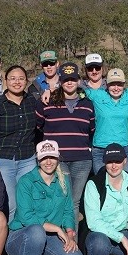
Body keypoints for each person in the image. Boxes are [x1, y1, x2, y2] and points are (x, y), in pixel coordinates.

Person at [5, 140, 84, 255]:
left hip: (50, 238)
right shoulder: (26, 182)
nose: (48, 162)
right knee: (36, 231)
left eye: (52, 157)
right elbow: (27, 218)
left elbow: (69, 209)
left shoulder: (63, 180)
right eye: (44, 158)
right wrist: (57, 229)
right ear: (37, 159)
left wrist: (69, 232)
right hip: (22, 237)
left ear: (58, 158)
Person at [35, 62, 95, 228]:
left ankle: (72, 242)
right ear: (60, 81)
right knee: (60, 200)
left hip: (82, 161)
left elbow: (91, 129)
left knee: (74, 202)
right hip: (58, 161)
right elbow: (38, 125)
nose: (69, 82)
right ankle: (57, 239)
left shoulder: (88, 105)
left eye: (73, 79)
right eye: (66, 79)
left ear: (79, 81)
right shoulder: (47, 102)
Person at [0, 65, 37, 221]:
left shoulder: (32, 102)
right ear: (6, 81)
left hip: (27, 159)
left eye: (21, 78)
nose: (17, 82)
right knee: (11, 203)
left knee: (27, 201)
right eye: (12, 78)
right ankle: (11, 238)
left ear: (26, 81)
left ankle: (27, 235)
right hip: (3, 161)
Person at [82, 68, 128, 173]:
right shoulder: (98, 95)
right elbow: (75, 90)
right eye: (112, 84)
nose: (116, 88)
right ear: (107, 85)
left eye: (119, 84)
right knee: (101, 184)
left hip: (123, 147)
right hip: (100, 149)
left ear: (124, 84)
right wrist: (50, 91)